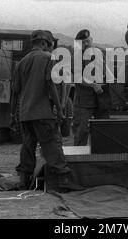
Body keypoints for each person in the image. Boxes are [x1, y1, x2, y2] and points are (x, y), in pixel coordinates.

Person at [10, 30, 83, 192]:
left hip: (25, 115)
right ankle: (63, 181)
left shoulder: (22, 62)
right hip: (43, 113)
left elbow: (15, 91)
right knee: (53, 145)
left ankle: (23, 181)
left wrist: (12, 115)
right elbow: (51, 86)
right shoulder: (48, 58)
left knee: (28, 146)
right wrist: (59, 108)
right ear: (44, 44)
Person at [72, 29, 112, 146]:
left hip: (101, 99)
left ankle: (101, 160)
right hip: (84, 101)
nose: (86, 44)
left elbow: (105, 70)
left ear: (92, 40)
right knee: (81, 131)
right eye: (83, 42)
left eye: (87, 41)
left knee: (103, 131)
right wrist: (92, 85)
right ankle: (79, 160)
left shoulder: (99, 53)